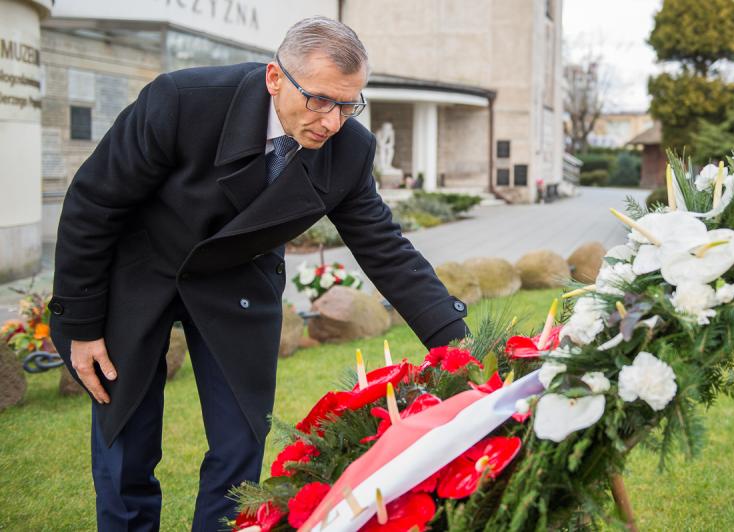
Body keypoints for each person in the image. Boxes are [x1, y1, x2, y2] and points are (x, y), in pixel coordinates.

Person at [48, 17, 468, 531]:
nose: (332, 122)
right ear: (274, 77)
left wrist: (461, 346)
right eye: (319, 100)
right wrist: (84, 323)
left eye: (348, 103)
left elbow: (387, 249)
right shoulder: (182, 100)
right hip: (143, 269)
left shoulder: (350, 150)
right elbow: (94, 202)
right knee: (125, 442)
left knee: (239, 446)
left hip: (239, 285)